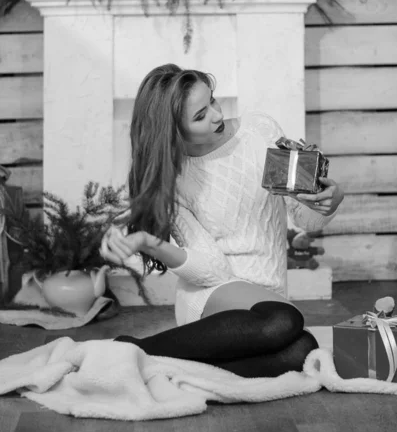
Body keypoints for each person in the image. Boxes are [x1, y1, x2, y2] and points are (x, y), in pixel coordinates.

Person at [100, 63, 344, 378]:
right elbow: (212, 271)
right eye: (200, 116)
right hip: (213, 296)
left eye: (212, 101)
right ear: (173, 130)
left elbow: (305, 220)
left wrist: (329, 201)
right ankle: (131, 348)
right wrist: (150, 242)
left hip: (268, 299)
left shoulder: (259, 131)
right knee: (284, 323)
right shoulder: (175, 178)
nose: (216, 115)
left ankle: (165, 363)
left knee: (302, 350)